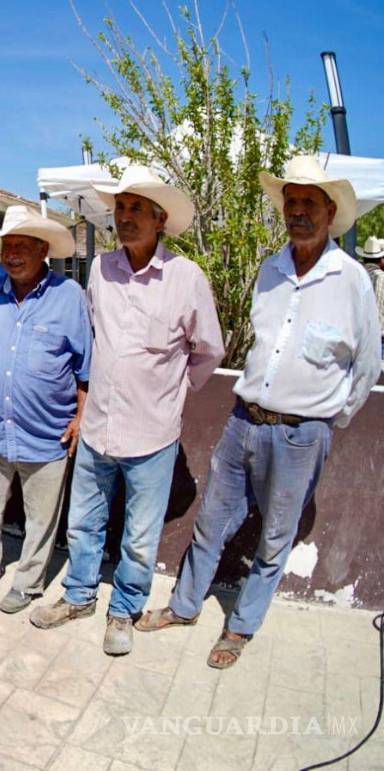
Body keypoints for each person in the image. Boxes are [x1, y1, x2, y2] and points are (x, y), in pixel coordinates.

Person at [137, 155, 382, 668]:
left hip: (301, 436)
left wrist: (328, 422)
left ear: (329, 210)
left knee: (274, 538)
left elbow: (366, 365)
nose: (297, 211)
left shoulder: (350, 279)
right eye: (290, 201)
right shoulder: (270, 269)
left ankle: (241, 627)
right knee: (210, 522)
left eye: (307, 202)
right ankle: (184, 608)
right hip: (243, 421)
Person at [30, 165, 225, 657]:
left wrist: (174, 391)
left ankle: (124, 611)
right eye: (121, 207)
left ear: (160, 219)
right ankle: (78, 596)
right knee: (83, 522)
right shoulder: (101, 269)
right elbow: (97, 336)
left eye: (137, 208)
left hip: (153, 433)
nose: (126, 216)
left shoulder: (186, 278)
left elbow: (209, 351)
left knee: (139, 534)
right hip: (98, 426)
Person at [0, 205, 92, 613]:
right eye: (7, 246)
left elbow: (86, 366)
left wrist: (80, 418)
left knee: (42, 517)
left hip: (48, 432)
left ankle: (28, 583)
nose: (11, 254)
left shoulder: (69, 297)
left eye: (21, 246)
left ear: (43, 249)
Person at [355, 235, 384, 358]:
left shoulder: (355, 276)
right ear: (381, 260)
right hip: (380, 337)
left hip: (359, 337)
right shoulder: (382, 278)